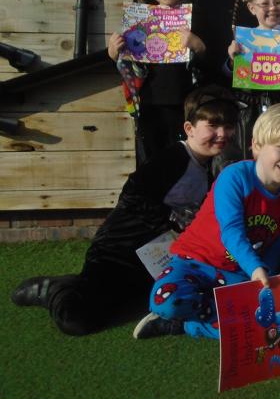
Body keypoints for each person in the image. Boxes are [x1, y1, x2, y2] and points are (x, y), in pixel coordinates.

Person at [10, 86, 238, 336]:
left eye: (228, 126)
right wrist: (170, 222)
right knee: (77, 319)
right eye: (213, 126)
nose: (222, 133)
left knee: (153, 301)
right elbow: (133, 194)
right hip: (119, 252)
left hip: (155, 259)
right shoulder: (173, 158)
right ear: (189, 128)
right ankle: (52, 289)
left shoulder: (208, 167)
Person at [133, 102, 280, 339]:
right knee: (166, 300)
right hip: (195, 261)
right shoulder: (235, 177)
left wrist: (268, 281)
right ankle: (200, 315)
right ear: (257, 145)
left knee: (265, 318)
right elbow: (231, 231)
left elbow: (276, 244)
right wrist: (256, 268)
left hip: (238, 273)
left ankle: (185, 325)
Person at [108, 0, 207, 164]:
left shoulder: (196, 18)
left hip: (186, 101)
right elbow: (127, 65)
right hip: (148, 100)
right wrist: (114, 53)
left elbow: (209, 63)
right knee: (152, 158)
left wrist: (199, 46)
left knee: (186, 157)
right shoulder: (138, 20)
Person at [221, 0, 280, 170]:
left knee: (279, 155)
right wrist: (233, 60)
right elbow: (227, 74)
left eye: (278, 2)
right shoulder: (244, 40)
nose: (273, 8)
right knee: (250, 156)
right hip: (249, 110)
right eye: (265, 4)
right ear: (252, 8)